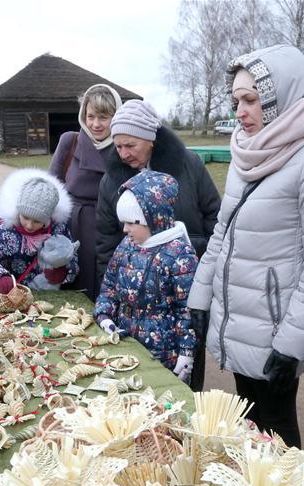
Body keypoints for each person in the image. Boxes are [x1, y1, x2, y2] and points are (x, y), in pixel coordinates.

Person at [187, 45, 304, 449]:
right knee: (250, 428)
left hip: (275, 327)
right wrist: (199, 300)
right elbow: (222, 233)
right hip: (238, 317)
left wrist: (292, 344)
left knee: (277, 433)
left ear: (281, 99)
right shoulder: (248, 152)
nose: (240, 112)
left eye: (251, 100)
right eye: (236, 101)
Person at [96, 99, 220, 391]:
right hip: (136, 304)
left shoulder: (188, 164)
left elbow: (216, 218)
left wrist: (197, 256)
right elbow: (106, 242)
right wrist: (109, 299)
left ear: (150, 139)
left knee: (185, 378)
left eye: (131, 145)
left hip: (188, 281)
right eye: (118, 146)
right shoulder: (112, 179)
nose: (123, 154)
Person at [95, 171, 197, 380]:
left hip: (163, 355)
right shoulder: (126, 246)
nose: (125, 229)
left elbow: (187, 310)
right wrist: (104, 316)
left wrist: (186, 352)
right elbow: (109, 287)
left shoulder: (180, 255)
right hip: (125, 346)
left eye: (131, 223)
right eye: (123, 223)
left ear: (152, 220)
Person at [49, 83, 123, 300]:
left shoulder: (124, 147)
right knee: (70, 291)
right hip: (72, 229)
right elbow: (51, 188)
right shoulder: (70, 141)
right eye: (90, 116)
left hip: (110, 231)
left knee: (104, 292)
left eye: (104, 117)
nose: (95, 124)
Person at [0, 169, 79, 293]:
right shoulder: (6, 232)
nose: (29, 225)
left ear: (48, 219)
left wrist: (63, 273)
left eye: (37, 221)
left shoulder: (57, 231)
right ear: (18, 211)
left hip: (45, 294)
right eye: (25, 217)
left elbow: (72, 258)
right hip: (11, 294)